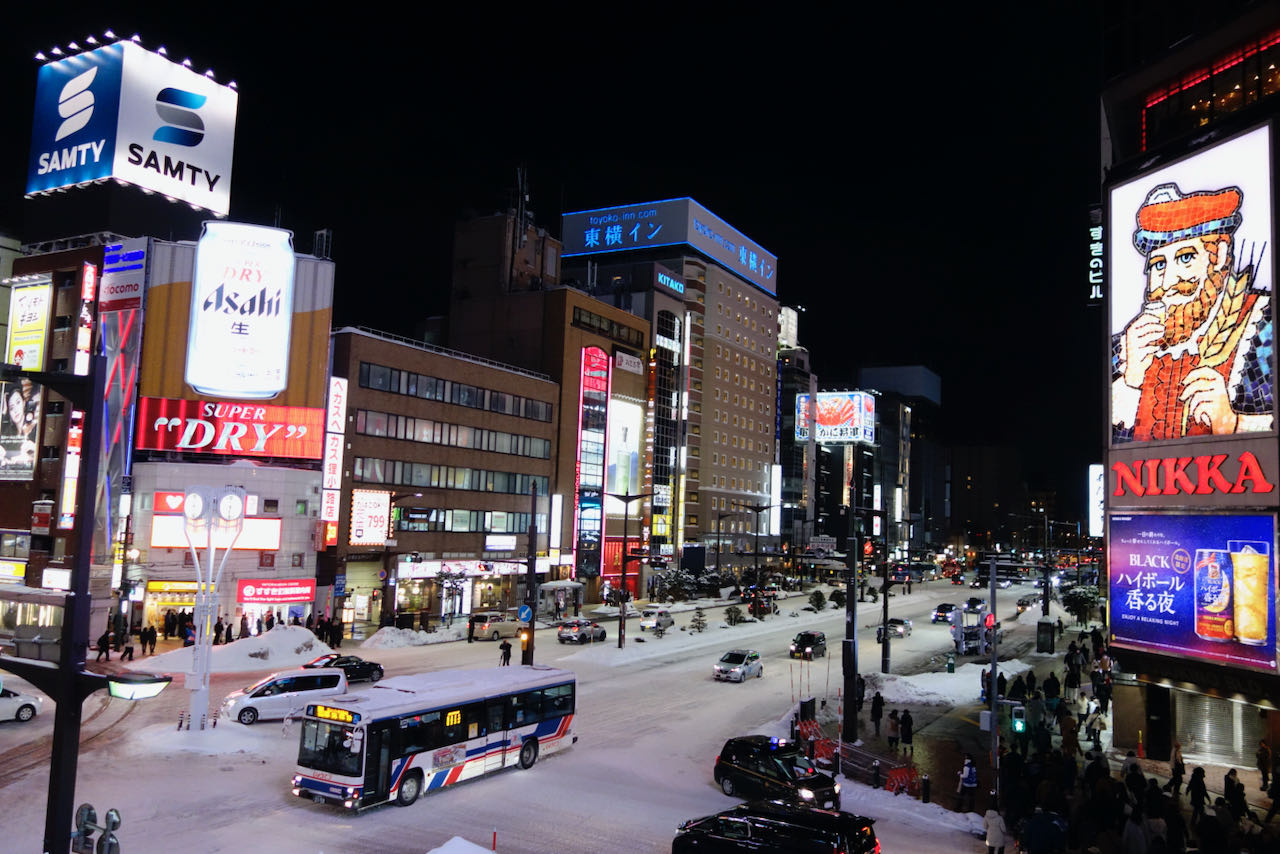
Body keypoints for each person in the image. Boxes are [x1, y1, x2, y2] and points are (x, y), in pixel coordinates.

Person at [1113, 181, 1272, 442]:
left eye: (1185, 258)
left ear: (1219, 255)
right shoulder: (1123, 347)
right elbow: (1102, 449)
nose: (1167, 283)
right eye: (1158, 265)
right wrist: (1130, 382)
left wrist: (1234, 422)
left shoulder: (1263, 324)